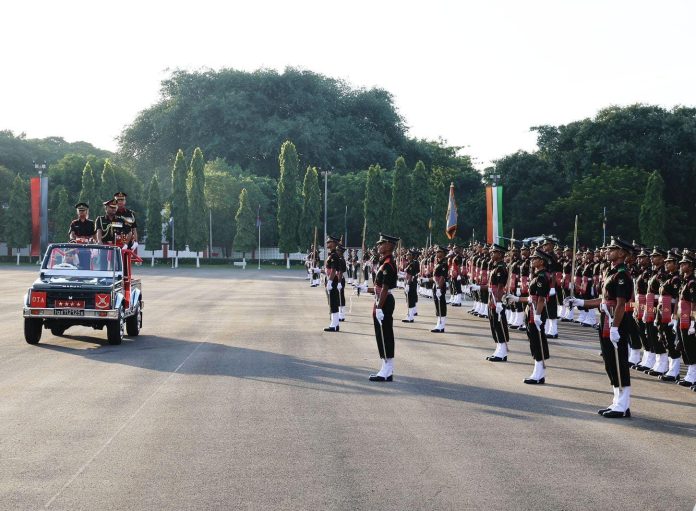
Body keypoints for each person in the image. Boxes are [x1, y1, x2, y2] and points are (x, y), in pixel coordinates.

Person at [567, 237, 634, 418]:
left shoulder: (622, 275)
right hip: (606, 318)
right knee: (610, 362)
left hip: (616, 321)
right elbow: (603, 300)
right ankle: (617, 402)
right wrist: (580, 302)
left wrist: (615, 327)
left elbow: (620, 304)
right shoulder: (610, 273)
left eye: (612, 248)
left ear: (622, 253)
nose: (608, 251)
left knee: (619, 362)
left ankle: (623, 405)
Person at [507, 248, 551, 384]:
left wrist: (537, 316)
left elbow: (541, 299)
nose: (532, 260)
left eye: (535, 259)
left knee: (537, 342)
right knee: (533, 341)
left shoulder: (542, 277)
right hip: (531, 311)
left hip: (535, 313)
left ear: (542, 261)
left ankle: (539, 374)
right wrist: (516, 299)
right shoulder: (537, 276)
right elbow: (531, 298)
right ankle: (537, 371)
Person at [369, 233, 400, 382]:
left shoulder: (388, 264)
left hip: (385, 301)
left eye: (382, 244)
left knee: (385, 334)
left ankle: (387, 369)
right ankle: (385, 367)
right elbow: (380, 287)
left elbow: (386, 289)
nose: (379, 246)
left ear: (389, 246)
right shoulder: (384, 262)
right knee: (381, 334)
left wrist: (379, 308)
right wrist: (366, 289)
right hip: (382, 300)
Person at [483, 243, 510, 362]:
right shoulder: (496, 266)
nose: (491, 254)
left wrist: (498, 302)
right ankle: (499, 348)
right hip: (493, 298)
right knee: (494, 324)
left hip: (497, 300)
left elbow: (500, 287)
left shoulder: (501, 268)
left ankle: (502, 351)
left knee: (499, 325)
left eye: (494, 252)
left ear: (500, 254)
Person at [675, 250, 696, 389]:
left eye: (684, 264)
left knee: (691, 347)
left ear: (691, 266)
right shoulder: (685, 281)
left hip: (689, 319)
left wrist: (694, 322)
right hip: (682, 318)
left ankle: (693, 375)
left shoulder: (692, 283)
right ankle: (690, 374)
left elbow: (694, 304)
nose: (681, 266)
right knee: (685, 346)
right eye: (681, 264)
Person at [323, 235, 342, 332]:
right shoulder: (331, 255)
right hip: (330, 280)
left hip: (333, 281)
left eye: (329, 242)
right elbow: (328, 270)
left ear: (334, 244)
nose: (327, 243)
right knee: (332, 302)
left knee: (333, 303)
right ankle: (335, 324)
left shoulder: (334, 255)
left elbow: (334, 270)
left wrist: (330, 282)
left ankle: (334, 325)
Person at [431, 245, 448, 333]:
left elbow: (442, 277)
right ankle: (438, 323)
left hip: (440, 286)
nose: (437, 253)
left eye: (439, 252)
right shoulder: (438, 262)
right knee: (437, 305)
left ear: (443, 253)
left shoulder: (444, 263)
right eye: (436, 252)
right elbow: (435, 276)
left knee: (441, 304)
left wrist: (438, 288)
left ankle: (441, 325)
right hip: (436, 285)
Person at [402, 248, 420, 322]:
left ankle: (410, 317)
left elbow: (410, 275)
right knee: (409, 299)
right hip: (408, 282)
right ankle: (410, 315)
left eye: (409, 254)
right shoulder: (409, 263)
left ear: (412, 256)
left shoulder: (412, 264)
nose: (407, 255)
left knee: (410, 299)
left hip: (411, 283)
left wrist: (408, 285)